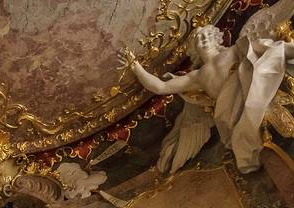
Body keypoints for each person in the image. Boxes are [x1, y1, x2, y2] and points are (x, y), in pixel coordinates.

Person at [120, 22, 294, 172]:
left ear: (216, 38)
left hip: (255, 94)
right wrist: (135, 66)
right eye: (198, 38)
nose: (204, 39)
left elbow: (264, 49)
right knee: (264, 146)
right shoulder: (197, 76)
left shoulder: (234, 50)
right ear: (193, 48)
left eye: (207, 36)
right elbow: (160, 87)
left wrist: (283, 47)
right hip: (235, 114)